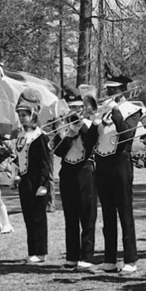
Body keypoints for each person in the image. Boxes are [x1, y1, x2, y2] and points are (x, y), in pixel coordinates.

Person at [94, 73, 143, 274]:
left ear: (122, 91)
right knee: (107, 213)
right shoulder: (101, 111)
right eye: (107, 90)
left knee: (124, 212)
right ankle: (109, 258)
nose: (108, 93)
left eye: (112, 90)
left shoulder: (132, 110)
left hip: (120, 162)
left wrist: (115, 111)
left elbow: (126, 135)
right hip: (102, 162)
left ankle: (130, 259)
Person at [52, 94, 99, 271]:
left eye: (78, 108)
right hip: (67, 172)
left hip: (85, 170)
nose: (75, 112)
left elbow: (90, 144)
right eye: (71, 107)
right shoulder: (63, 127)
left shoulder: (89, 126)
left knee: (87, 215)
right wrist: (69, 134)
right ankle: (72, 256)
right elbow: (58, 151)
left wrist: (81, 127)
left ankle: (86, 257)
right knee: (70, 216)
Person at [13, 88, 54, 263]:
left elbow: (46, 165)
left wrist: (44, 185)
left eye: (25, 114)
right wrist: (14, 171)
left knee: (38, 217)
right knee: (28, 217)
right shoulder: (21, 135)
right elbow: (20, 158)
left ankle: (41, 251)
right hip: (25, 181)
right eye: (20, 115)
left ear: (33, 115)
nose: (22, 118)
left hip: (38, 181)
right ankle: (32, 251)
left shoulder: (41, 136)